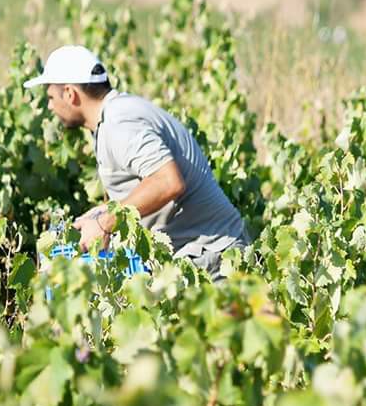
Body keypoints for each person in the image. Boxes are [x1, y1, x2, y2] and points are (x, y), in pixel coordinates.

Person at [25, 44, 249, 279]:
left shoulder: (120, 123)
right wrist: (103, 212)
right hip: (201, 253)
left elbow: (168, 181)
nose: (49, 106)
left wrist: (104, 224)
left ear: (70, 94)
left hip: (213, 256)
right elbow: (144, 184)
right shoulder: (116, 114)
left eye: (50, 97)